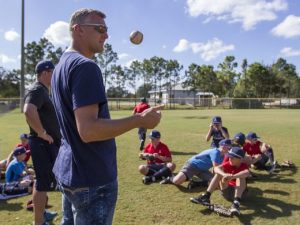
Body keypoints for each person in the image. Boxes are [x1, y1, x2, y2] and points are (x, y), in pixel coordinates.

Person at [50, 8, 163, 225]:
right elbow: (89, 130)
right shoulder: (86, 67)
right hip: (92, 177)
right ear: (78, 30)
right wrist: (139, 120)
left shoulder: (60, 67)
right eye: (99, 28)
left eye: (106, 29)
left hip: (70, 172)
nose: (106, 35)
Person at [24, 60, 61, 225]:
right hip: (42, 143)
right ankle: (38, 222)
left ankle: (42, 214)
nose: (55, 76)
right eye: (53, 72)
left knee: (44, 182)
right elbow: (28, 110)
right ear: (45, 72)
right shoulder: (38, 89)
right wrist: (42, 133)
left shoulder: (43, 91)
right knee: (42, 182)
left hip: (46, 144)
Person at [190, 147, 250, 216]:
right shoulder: (228, 164)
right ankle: (206, 196)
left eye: (232, 158)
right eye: (229, 156)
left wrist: (233, 176)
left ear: (240, 159)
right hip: (227, 191)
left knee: (241, 177)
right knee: (219, 173)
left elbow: (246, 173)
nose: (229, 159)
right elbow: (216, 168)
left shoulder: (243, 166)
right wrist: (224, 175)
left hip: (241, 194)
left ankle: (236, 204)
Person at [160, 139, 232, 189]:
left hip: (203, 170)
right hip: (192, 165)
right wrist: (223, 175)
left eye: (229, 147)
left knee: (216, 184)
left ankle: (196, 183)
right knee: (177, 181)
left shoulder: (224, 155)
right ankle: (170, 178)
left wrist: (215, 178)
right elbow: (216, 167)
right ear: (221, 146)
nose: (228, 148)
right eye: (226, 146)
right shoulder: (215, 152)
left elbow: (216, 169)